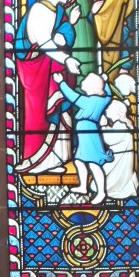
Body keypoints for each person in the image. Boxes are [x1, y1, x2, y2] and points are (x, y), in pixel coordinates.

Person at [13, 0, 82, 174]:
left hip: (51, 70)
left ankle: (56, 159)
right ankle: (37, 161)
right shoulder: (39, 10)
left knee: (59, 111)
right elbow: (44, 43)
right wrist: (67, 59)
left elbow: (61, 35)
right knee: (39, 114)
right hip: (37, 72)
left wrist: (69, 26)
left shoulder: (57, 10)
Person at [53, 71, 113, 203]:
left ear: (92, 86)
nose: (82, 82)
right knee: (79, 161)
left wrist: (61, 83)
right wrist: (106, 82)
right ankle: (83, 187)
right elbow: (109, 95)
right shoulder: (102, 100)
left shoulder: (90, 101)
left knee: (94, 164)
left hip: (88, 133)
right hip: (85, 132)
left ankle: (101, 192)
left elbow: (72, 97)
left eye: (85, 80)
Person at [90, 0, 135, 81]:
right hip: (104, 54)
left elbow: (129, 29)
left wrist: (126, 65)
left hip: (120, 56)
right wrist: (93, 13)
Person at [101, 99, 139, 199]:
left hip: (119, 159)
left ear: (117, 112)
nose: (106, 111)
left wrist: (103, 126)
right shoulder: (120, 124)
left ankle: (118, 191)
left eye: (108, 109)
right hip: (117, 157)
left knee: (113, 179)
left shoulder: (123, 125)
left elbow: (108, 140)